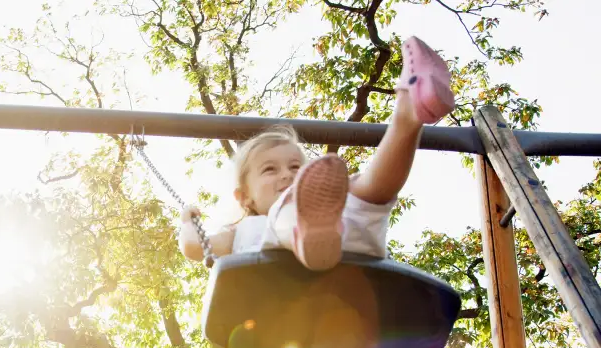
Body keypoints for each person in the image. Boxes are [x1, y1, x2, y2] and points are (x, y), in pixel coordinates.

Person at [178, 36, 455, 271]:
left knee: (365, 193)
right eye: (270, 169)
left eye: (297, 167)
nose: (287, 174)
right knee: (287, 209)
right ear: (244, 196)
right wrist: (187, 222)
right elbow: (194, 247)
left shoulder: (328, 213)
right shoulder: (239, 232)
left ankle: (408, 113)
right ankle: (305, 235)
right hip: (277, 297)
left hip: (351, 270)